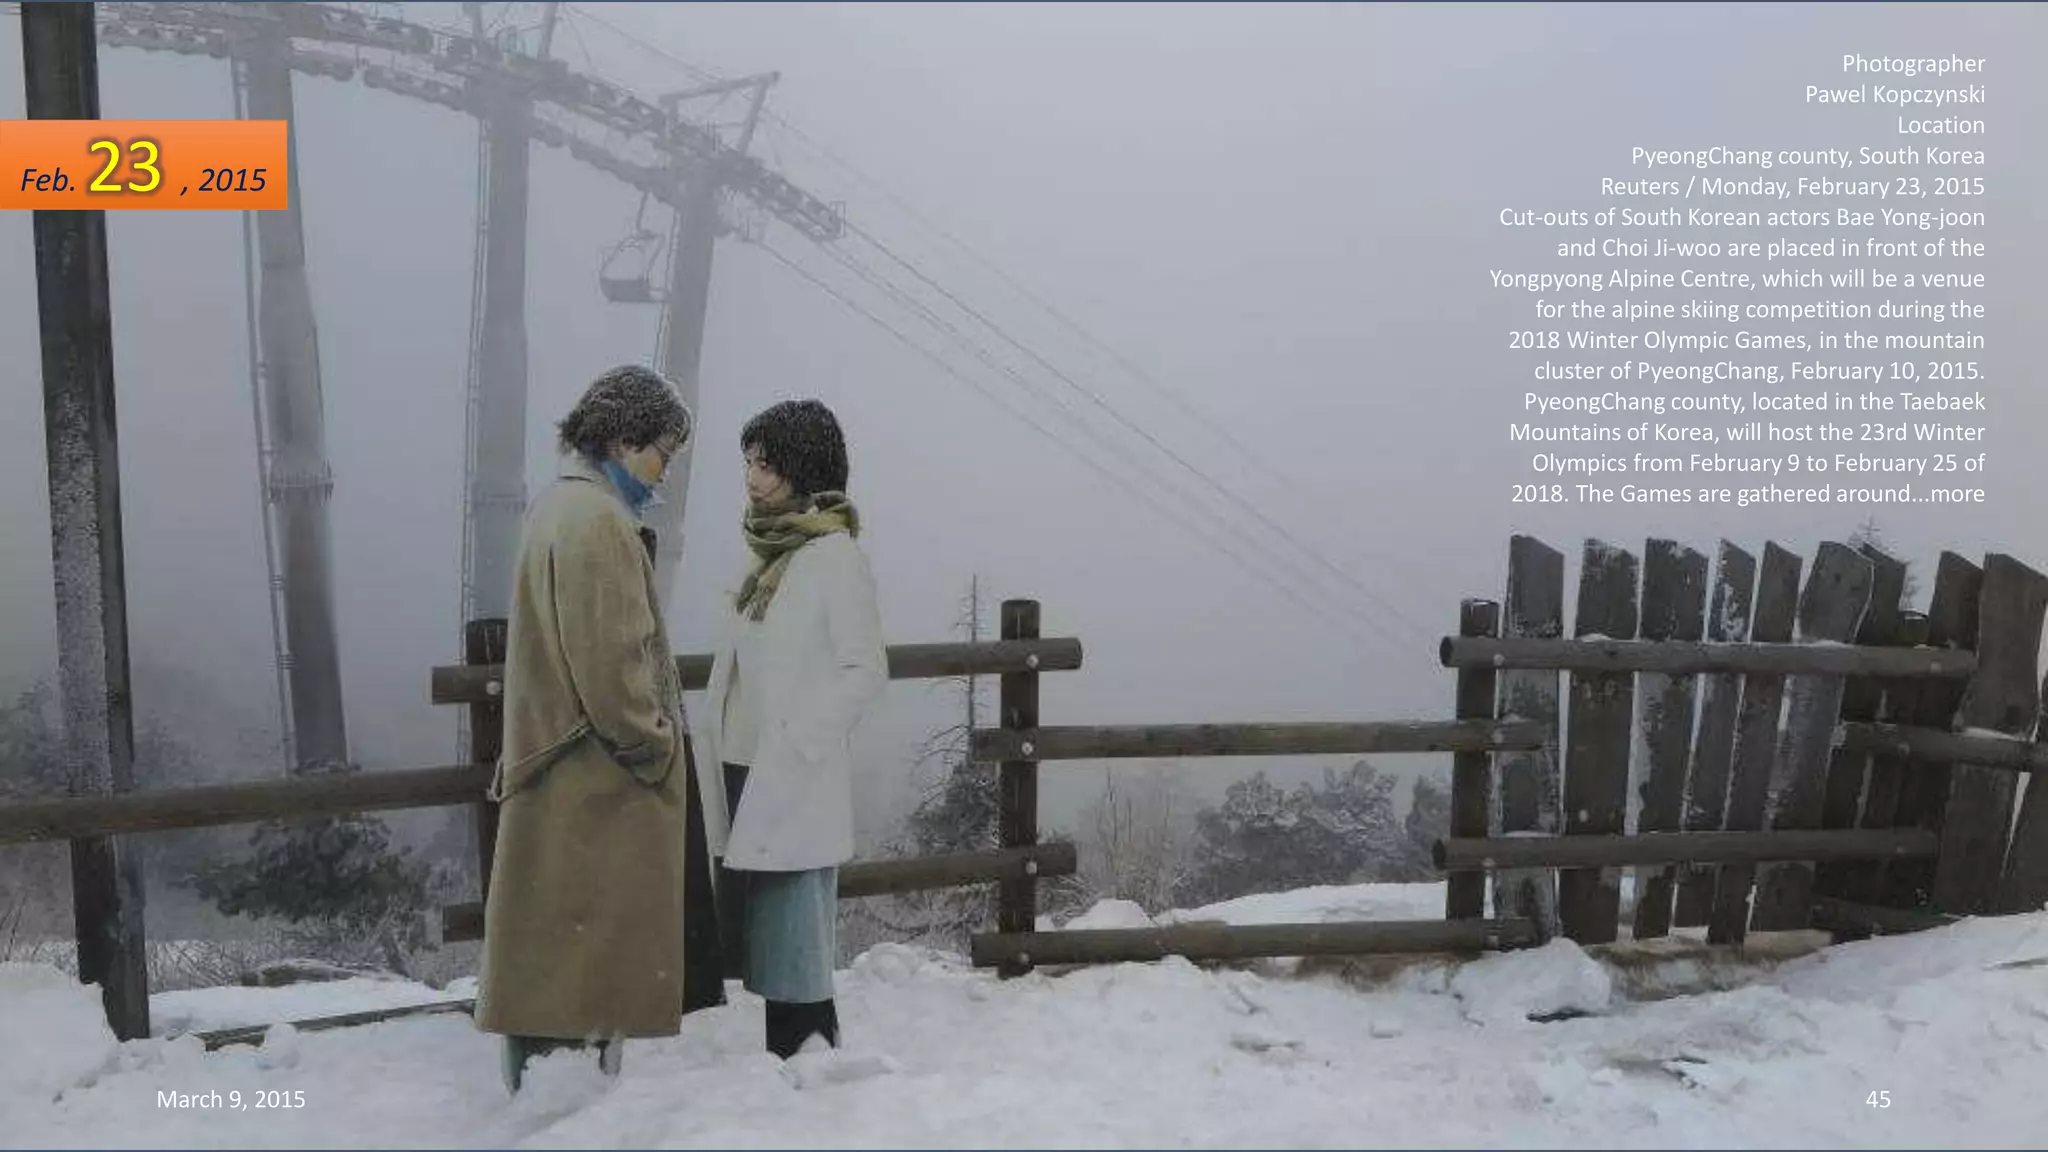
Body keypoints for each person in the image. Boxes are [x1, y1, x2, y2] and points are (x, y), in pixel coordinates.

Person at [473, 364, 725, 1093]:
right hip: (592, 793)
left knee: (552, 979)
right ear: (622, 437)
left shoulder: (557, 509)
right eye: (661, 453)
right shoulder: (599, 524)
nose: (664, 473)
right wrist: (655, 746)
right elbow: (613, 670)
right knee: (582, 990)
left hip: (559, 784)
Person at [698, 399, 888, 1059]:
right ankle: (791, 1064)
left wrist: (802, 737)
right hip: (741, 759)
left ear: (804, 470)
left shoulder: (833, 554)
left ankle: (808, 1057)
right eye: (749, 462)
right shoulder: (766, 551)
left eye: (769, 465)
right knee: (764, 921)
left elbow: (865, 666)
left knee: (795, 924)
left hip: (788, 765)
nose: (753, 478)